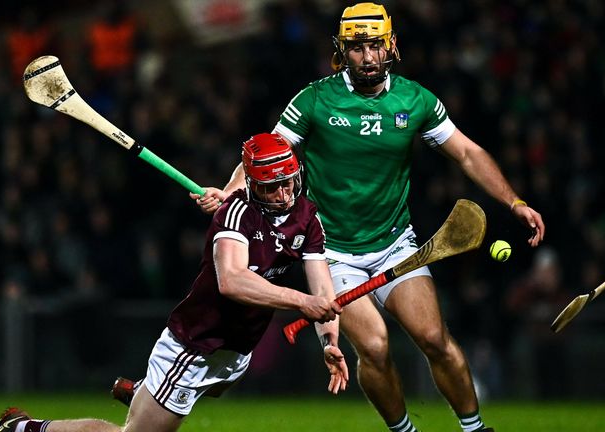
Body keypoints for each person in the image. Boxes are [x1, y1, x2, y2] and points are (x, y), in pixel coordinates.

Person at [197, 4, 545, 431]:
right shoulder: (315, 99)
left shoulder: (414, 100)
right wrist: (229, 192)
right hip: (331, 254)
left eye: (374, 45)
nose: (366, 55)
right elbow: (267, 153)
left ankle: (475, 429)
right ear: (342, 52)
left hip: (396, 246)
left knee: (435, 340)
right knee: (376, 347)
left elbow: (469, 154)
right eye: (356, 47)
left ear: (391, 45)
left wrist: (514, 202)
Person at [0, 133, 349, 432]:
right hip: (195, 345)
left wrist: (328, 342)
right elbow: (233, 281)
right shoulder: (235, 214)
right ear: (253, 186)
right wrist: (299, 302)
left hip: (235, 350)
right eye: (272, 188)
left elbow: (322, 290)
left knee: (216, 388)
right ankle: (23, 428)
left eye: (288, 183)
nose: (284, 195)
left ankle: (146, 391)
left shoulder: (306, 218)